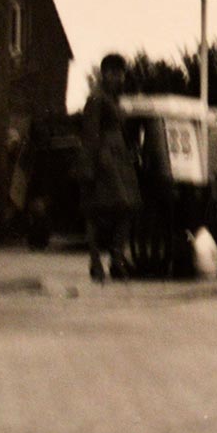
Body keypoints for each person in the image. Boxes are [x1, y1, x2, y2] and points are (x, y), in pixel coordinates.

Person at [78, 53, 141, 281]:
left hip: (118, 159)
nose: (120, 78)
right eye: (115, 73)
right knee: (97, 211)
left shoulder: (112, 99)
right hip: (104, 160)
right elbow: (90, 134)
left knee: (128, 207)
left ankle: (115, 259)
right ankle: (97, 262)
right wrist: (89, 167)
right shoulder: (97, 98)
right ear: (105, 73)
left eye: (121, 73)